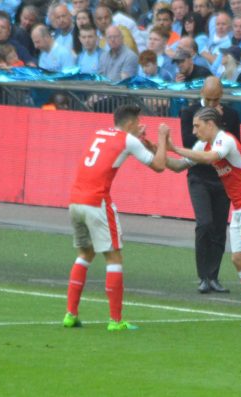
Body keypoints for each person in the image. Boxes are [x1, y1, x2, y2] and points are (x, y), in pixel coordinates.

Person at [166, 106, 241, 329]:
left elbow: (209, 158)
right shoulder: (204, 144)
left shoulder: (225, 140)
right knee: (238, 259)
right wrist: (157, 150)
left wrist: (176, 148)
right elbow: (179, 166)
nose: (194, 131)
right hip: (239, 207)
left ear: (210, 125)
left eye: (197, 126)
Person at [63, 104, 169, 331]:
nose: (141, 124)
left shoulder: (99, 133)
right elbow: (159, 165)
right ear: (130, 123)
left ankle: (70, 314)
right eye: (138, 121)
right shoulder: (127, 140)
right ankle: (116, 320)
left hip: (75, 200)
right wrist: (161, 138)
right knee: (114, 258)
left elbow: (115, 148)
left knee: (85, 253)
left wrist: (138, 139)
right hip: (96, 201)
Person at [179, 76, 240, 294]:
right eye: (209, 99)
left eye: (216, 99)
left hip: (222, 178)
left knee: (218, 228)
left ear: (221, 95)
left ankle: (213, 275)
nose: (213, 104)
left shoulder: (231, 115)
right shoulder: (189, 113)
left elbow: (235, 144)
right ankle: (202, 275)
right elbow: (189, 143)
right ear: (202, 93)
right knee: (204, 223)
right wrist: (212, 127)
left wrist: (221, 124)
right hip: (199, 177)